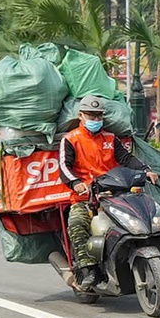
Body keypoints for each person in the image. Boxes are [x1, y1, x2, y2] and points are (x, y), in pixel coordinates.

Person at [58, 94, 131, 288]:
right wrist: (75, 183)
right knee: (76, 223)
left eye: (99, 116)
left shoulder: (110, 138)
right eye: (91, 115)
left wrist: (146, 170)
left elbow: (127, 159)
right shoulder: (70, 139)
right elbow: (64, 167)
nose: (95, 120)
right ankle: (89, 270)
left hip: (113, 196)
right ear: (81, 115)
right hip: (85, 198)